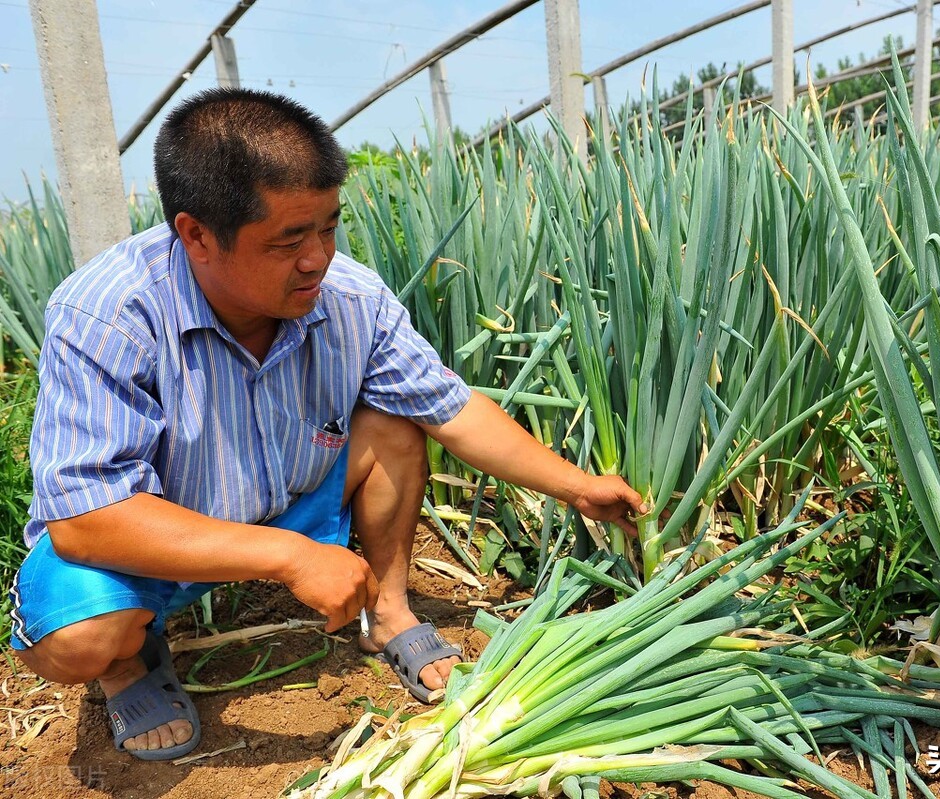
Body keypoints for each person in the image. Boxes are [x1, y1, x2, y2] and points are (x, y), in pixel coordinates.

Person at [8, 88, 646, 762]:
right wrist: (292, 557)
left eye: (329, 227)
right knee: (79, 637)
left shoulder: (351, 297)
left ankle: (391, 611)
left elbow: (450, 409)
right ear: (196, 234)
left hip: (283, 499)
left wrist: (576, 486)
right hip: (155, 538)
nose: (318, 257)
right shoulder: (108, 313)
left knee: (398, 420)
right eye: (289, 240)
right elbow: (87, 519)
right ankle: (129, 666)